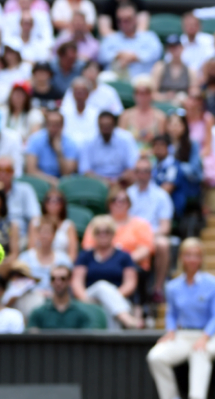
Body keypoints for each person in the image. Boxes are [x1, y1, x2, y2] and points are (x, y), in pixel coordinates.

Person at [147, 237, 215, 399]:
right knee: (155, 356)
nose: (192, 259)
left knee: (199, 352)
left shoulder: (214, 284)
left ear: (201, 259)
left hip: (211, 335)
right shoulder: (173, 286)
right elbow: (172, 314)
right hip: (183, 335)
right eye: (188, 255)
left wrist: (204, 338)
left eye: (196, 255)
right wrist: (170, 331)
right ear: (182, 257)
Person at [71, 214, 142, 329]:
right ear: (94, 234)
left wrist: (110, 298)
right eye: (98, 232)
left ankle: (114, 340)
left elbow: (130, 283)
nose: (102, 235)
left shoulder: (124, 256)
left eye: (107, 231)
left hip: (119, 298)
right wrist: (86, 299)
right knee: (101, 286)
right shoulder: (85, 256)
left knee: (107, 305)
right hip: (90, 297)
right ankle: (127, 319)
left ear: (113, 233)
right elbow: (77, 283)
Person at [127, 157, 173, 303]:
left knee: (163, 244)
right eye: (139, 171)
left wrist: (147, 237)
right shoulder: (126, 195)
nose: (142, 175)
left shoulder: (161, 196)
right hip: (130, 235)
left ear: (151, 173)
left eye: (146, 171)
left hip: (153, 235)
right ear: (134, 173)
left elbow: (165, 227)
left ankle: (158, 288)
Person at [0, 155, 39, 240]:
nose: (3, 174)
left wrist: (32, 248)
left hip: (21, 238)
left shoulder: (26, 190)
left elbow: (35, 217)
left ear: (13, 172)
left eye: (7, 170)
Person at [98, 4, 163, 80]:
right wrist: (118, 55)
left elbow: (156, 54)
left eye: (127, 20)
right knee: (103, 77)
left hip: (141, 80)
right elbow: (101, 56)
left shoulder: (149, 37)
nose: (124, 23)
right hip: (116, 77)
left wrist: (135, 57)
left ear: (135, 19)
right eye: (120, 20)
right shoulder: (110, 38)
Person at [78, 112, 139, 185]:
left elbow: (133, 165)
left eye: (108, 126)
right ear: (98, 126)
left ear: (114, 125)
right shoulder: (88, 141)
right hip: (96, 183)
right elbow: (85, 170)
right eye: (102, 126)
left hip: (121, 182)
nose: (106, 129)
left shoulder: (126, 138)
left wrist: (117, 181)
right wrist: (104, 181)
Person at [26, 263, 91, 329]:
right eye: (53, 279)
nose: (58, 282)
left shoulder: (81, 314)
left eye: (62, 279)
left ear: (69, 281)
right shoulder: (38, 313)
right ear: (50, 282)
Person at [24, 109, 78, 184]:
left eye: (56, 125)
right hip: (40, 182)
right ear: (46, 125)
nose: (53, 128)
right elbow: (31, 170)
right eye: (50, 124)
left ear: (62, 126)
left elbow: (67, 174)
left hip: (63, 184)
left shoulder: (71, 143)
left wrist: (59, 151)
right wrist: (51, 180)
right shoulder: (35, 139)